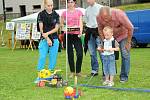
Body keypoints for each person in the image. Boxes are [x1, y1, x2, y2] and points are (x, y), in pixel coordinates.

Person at [97, 6, 134, 82]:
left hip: (123, 36)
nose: (105, 20)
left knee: (125, 54)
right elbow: (100, 29)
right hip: (109, 37)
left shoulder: (119, 14)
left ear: (110, 14)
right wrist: (103, 41)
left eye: (107, 18)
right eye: (103, 18)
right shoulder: (98, 17)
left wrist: (128, 42)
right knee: (104, 53)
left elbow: (131, 28)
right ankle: (108, 74)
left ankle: (124, 76)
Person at [36, 0, 60, 79]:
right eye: (48, 5)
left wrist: (48, 34)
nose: (50, 7)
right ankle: (39, 76)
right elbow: (41, 29)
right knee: (42, 56)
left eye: (51, 5)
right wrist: (47, 38)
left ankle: (50, 75)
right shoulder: (41, 14)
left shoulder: (56, 15)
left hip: (55, 39)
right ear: (45, 5)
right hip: (44, 39)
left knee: (53, 57)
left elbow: (56, 28)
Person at [60, 0, 85, 78]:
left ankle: (78, 71)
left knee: (80, 53)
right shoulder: (64, 13)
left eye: (72, 2)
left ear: (75, 3)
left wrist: (80, 32)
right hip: (68, 35)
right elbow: (61, 24)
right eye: (69, 2)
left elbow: (80, 22)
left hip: (77, 35)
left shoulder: (79, 12)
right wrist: (65, 26)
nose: (70, 4)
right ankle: (72, 72)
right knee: (70, 54)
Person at [84, 0, 103, 76]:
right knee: (92, 53)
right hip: (89, 33)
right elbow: (86, 21)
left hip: (98, 32)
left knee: (101, 52)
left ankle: (105, 70)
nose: (88, 1)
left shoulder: (100, 8)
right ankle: (94, 70)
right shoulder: (87, 10)